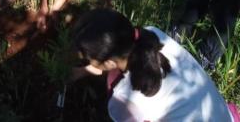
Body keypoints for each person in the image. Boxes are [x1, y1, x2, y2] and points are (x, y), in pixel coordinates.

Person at [73, 8, 237, 121]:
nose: (85, 59)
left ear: (109, 63)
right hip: (219, 114)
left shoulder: (126, 97)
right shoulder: (151, 36)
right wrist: (82, 71)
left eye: (87, 57)